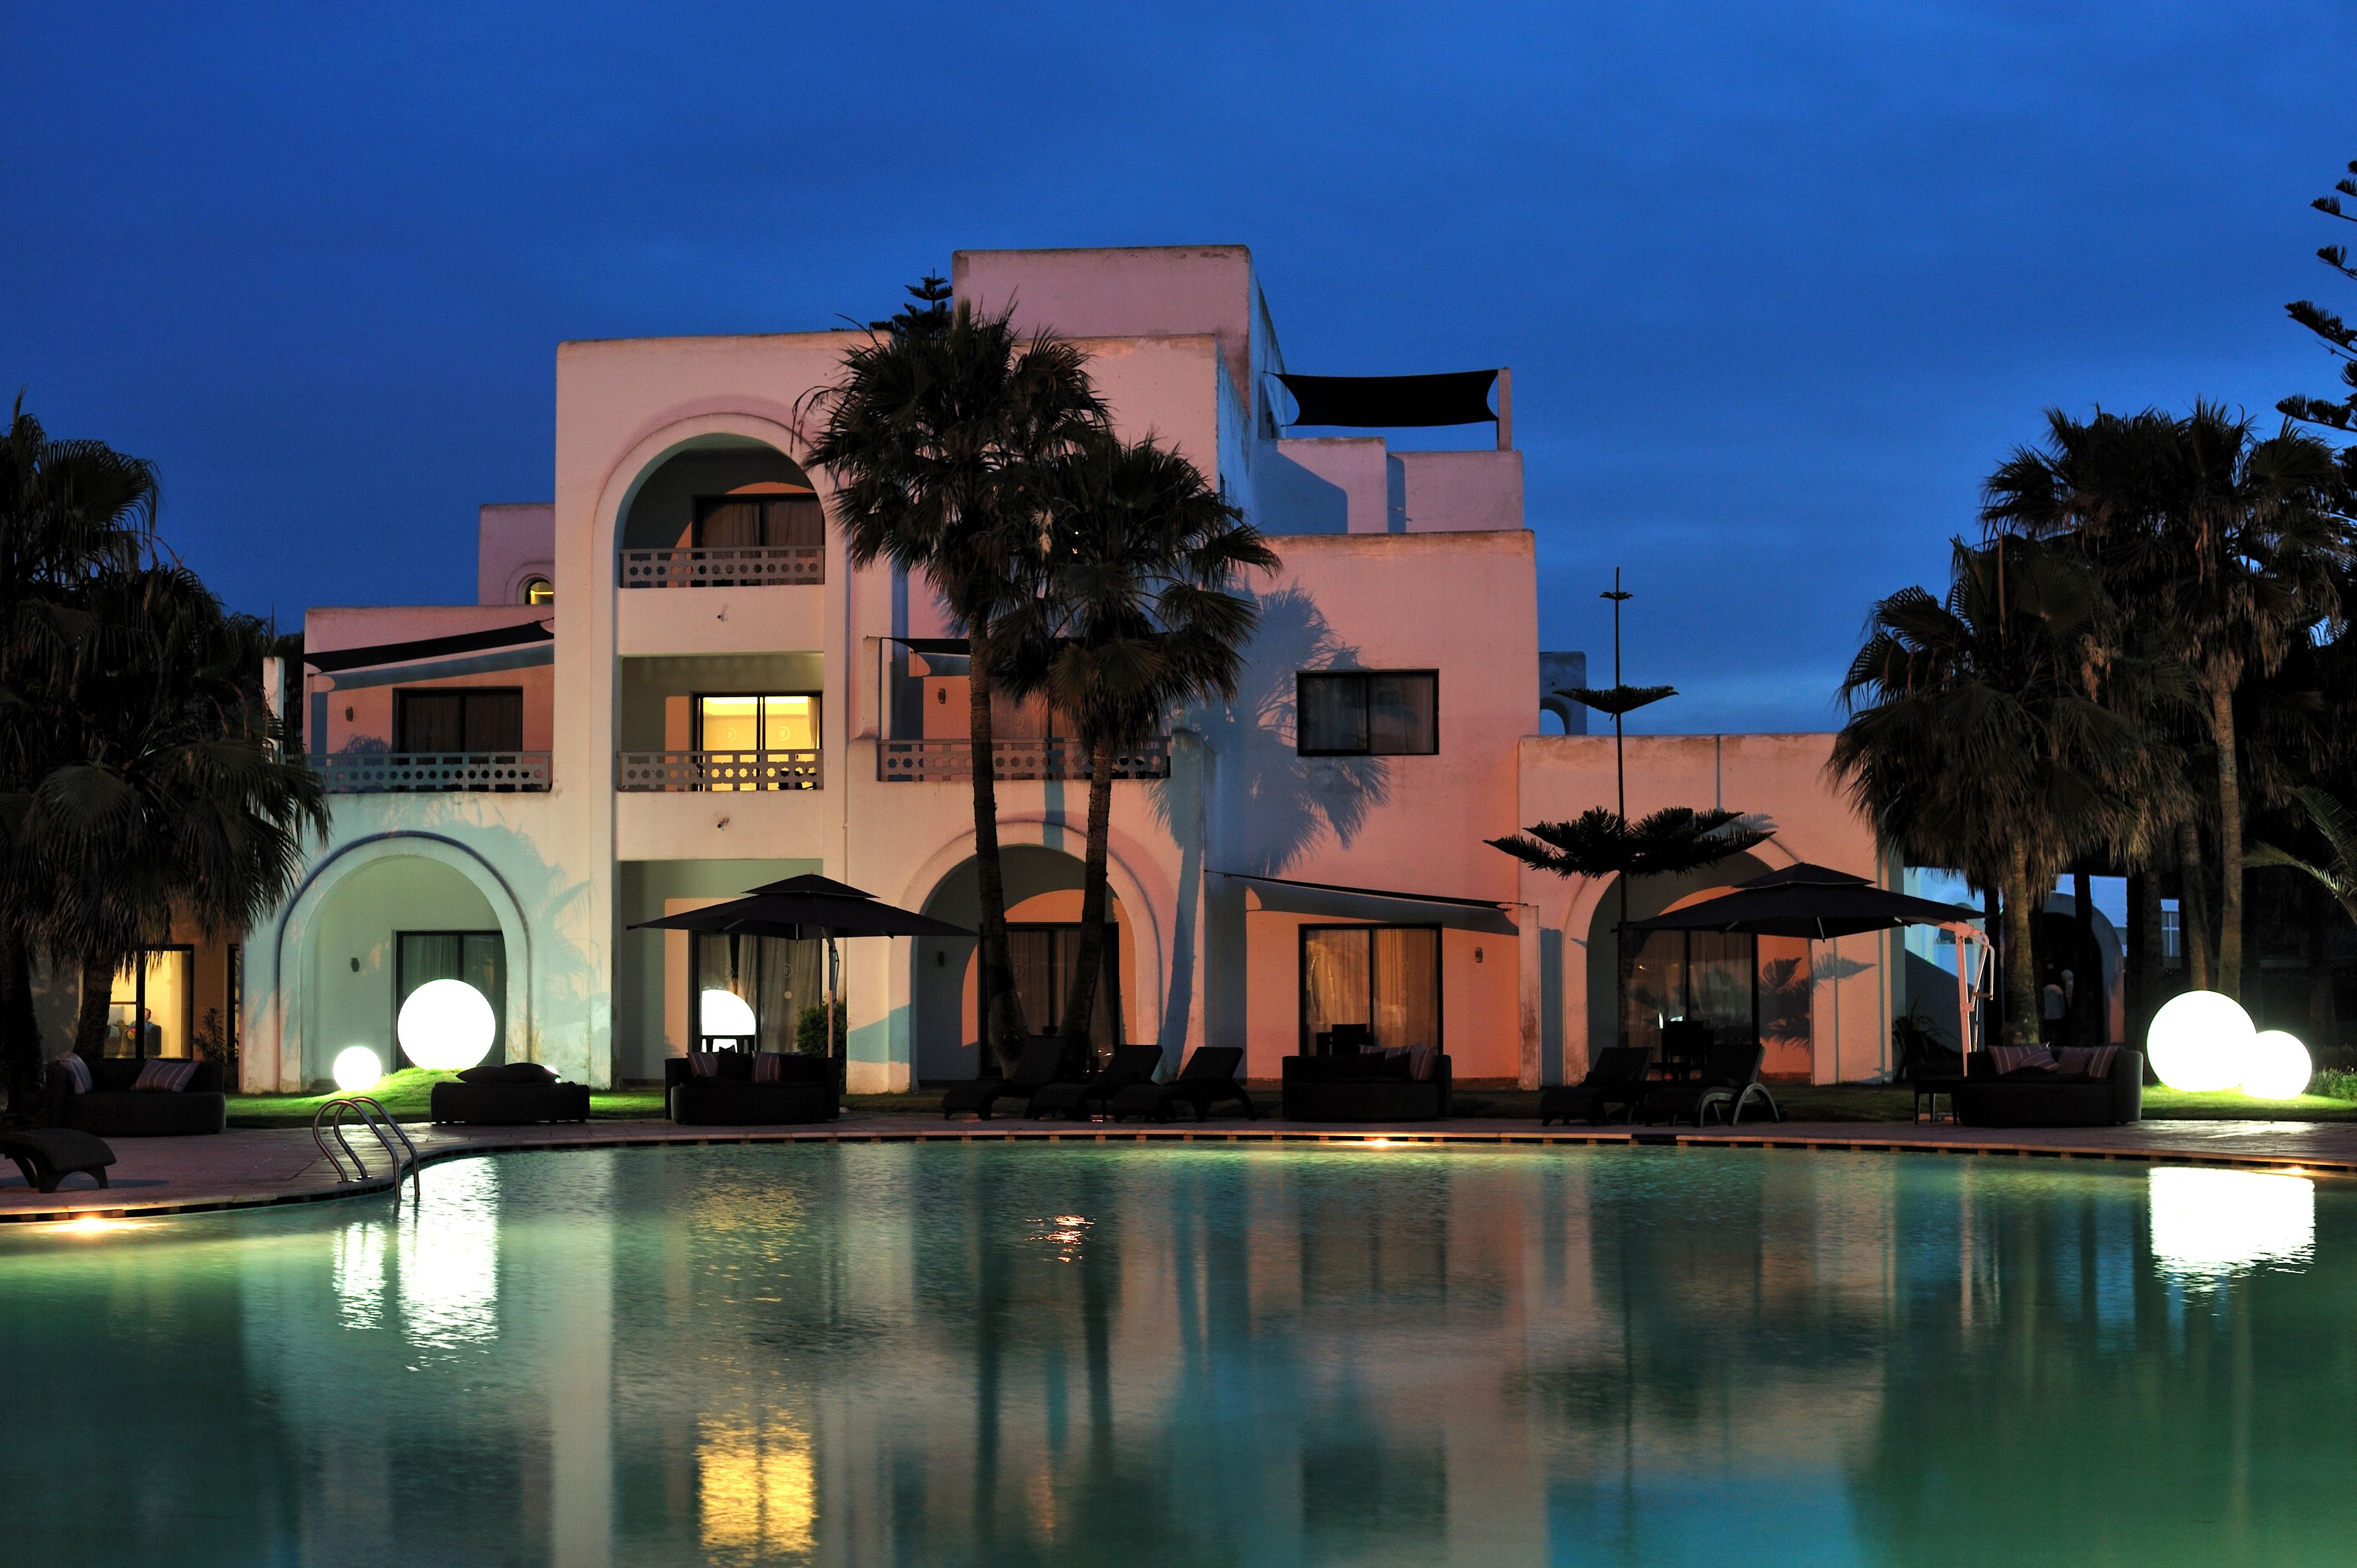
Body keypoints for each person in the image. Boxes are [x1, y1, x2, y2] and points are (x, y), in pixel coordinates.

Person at [2041, 975, 2069, 1046]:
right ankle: (2054, 1042)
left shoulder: (2044, 990)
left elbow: (2042, 1002)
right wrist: (2063, 1013)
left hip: (2047, 1014)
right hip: (2057, 1014)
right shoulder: (2059, 990)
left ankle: (2048, 1042)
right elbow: (2062, 1003)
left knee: (2048, 1029)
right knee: (2055, 1029)